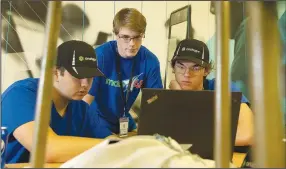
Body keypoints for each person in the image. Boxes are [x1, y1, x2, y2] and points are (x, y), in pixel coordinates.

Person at [1, 40, 115, 164]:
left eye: (90, 77)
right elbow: (45, 149)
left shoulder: (81, 109)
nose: (85, 84)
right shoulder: (20, 94)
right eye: (78, 76)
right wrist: (111, 145)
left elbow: (109, 140)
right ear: (55, 73)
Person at [83, 8, 163, 136]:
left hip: (124, 120)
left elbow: (155, 102)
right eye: (126, 37)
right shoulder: (100, 56)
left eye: (137, 37)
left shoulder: (150, 61)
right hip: (97, 120)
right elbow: (84, 103)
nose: (132, 43)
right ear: (116, 34)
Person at [168, 39, 254, 146]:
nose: (187, 74)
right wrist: (178, 93)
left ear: (206, 71)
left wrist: (198, 141)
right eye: (181, 67)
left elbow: (248, 135)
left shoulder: (222, 87)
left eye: (195, 68)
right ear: (173, 68)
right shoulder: (167, 96)